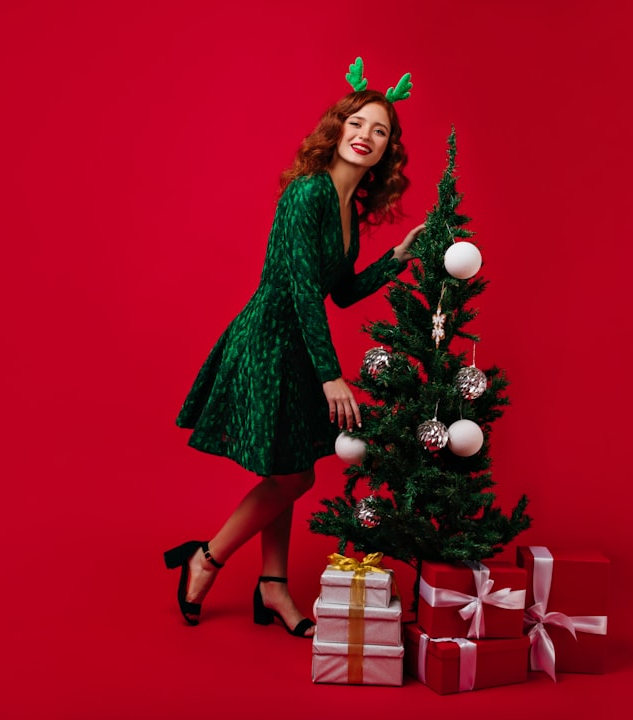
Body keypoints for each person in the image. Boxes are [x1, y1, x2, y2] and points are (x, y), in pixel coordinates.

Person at [165, 68, 424, 638]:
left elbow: (343, 290)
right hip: (269, 341)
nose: (365, 135)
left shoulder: (348, 208)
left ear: (386, 151)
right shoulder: (308, 192)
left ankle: (273, 587)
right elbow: (305, 291)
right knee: (291, 474)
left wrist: (398, 257)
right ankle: (205, 559)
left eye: (379, 131)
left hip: (300, 345)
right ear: (336, 130)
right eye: (356, 122)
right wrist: (332, 376)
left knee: (289, 466)